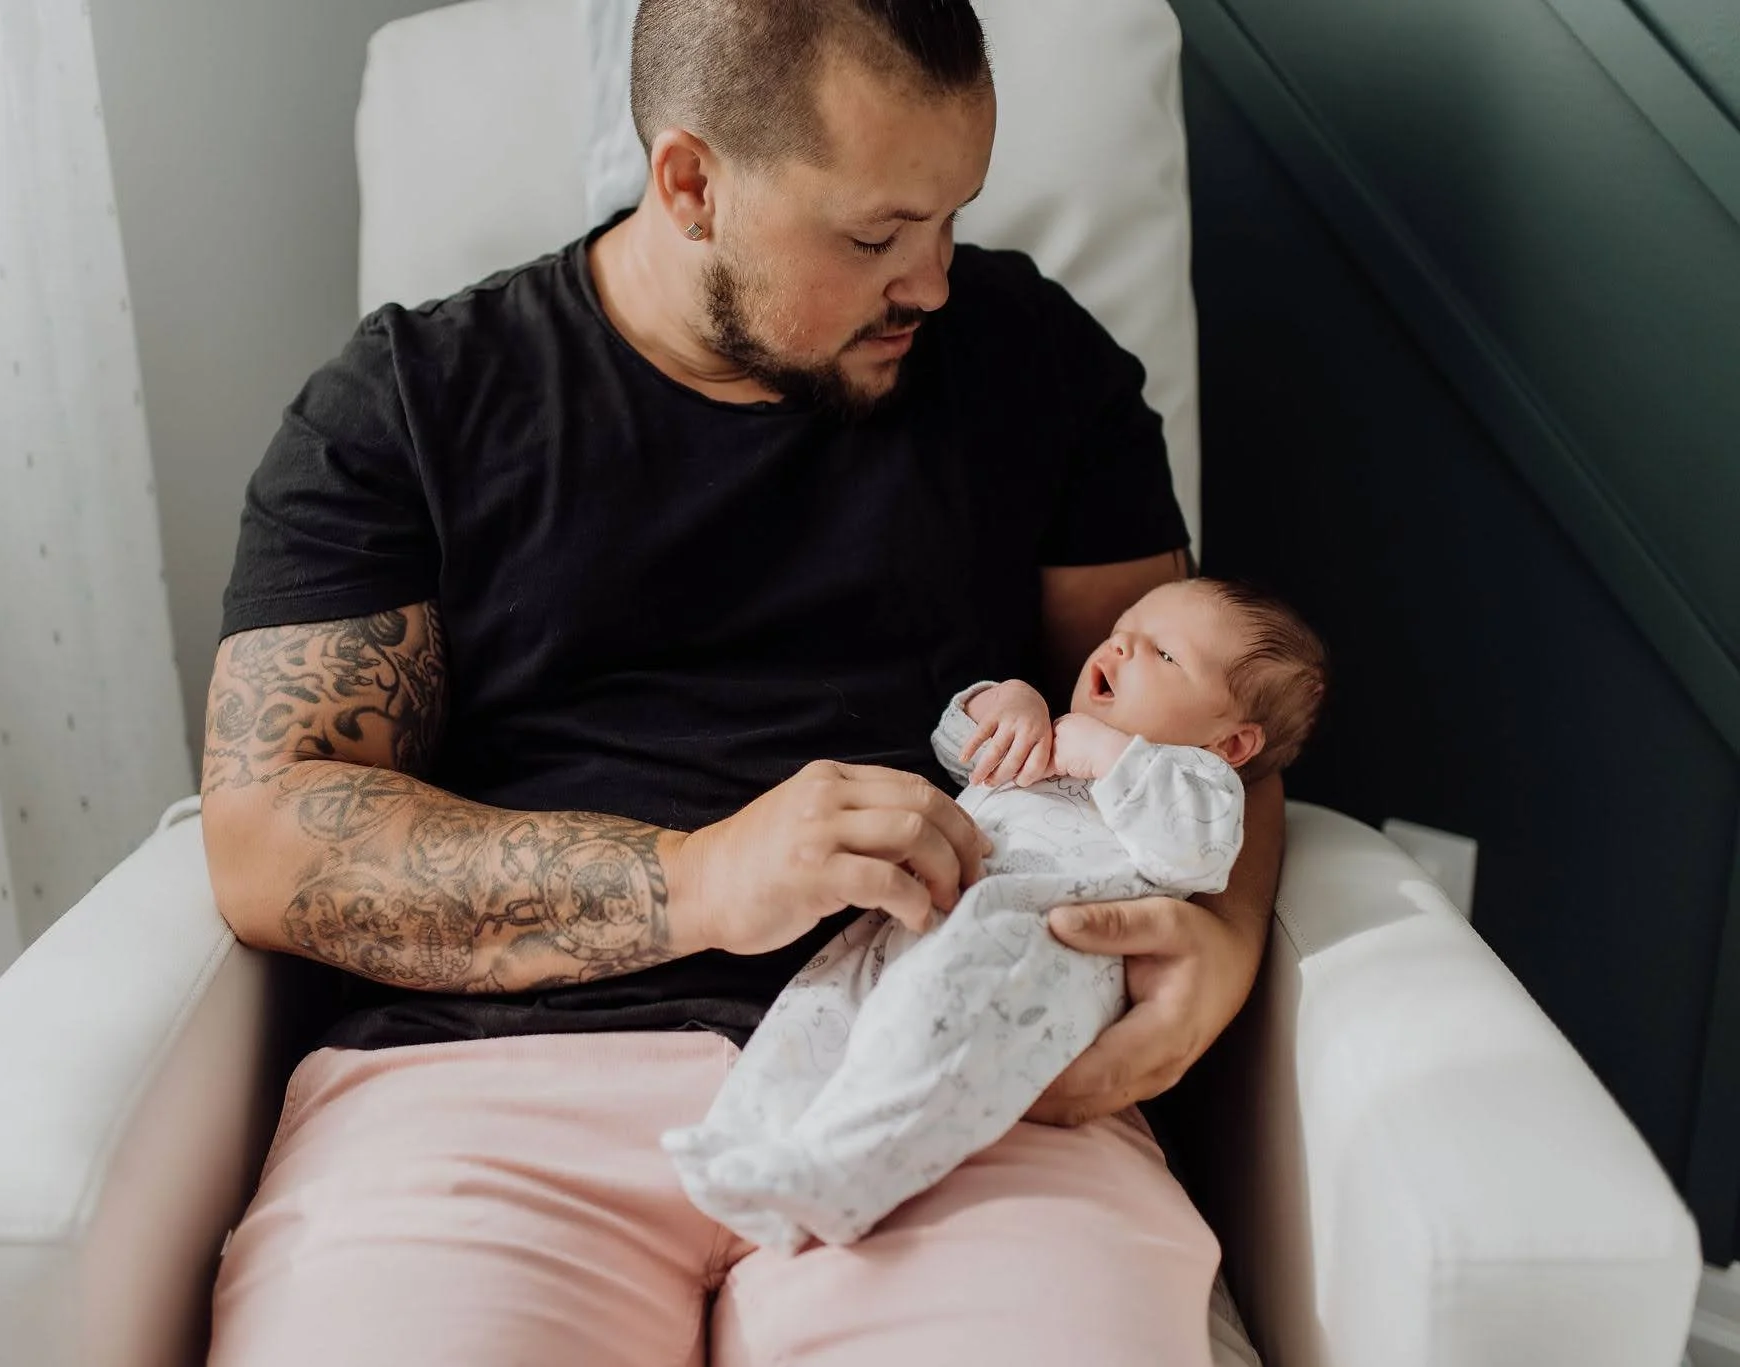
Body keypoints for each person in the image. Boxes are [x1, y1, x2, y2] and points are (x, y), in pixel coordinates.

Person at [198, 0, 1285, 1361]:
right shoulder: (410, 404)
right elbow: (271, 835)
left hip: (958, 1066)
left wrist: (1225, 940)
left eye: (951, 218)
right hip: (487, 1087)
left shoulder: (1033, 360)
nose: (933, 283)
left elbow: (1201, 723)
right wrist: (699, 878)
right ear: (691, 185)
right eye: (877, 237)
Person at [666, 579, 1327, 1255]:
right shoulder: (1051, 733)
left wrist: (1109, 756)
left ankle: (839, 1174)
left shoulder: (1198, 783)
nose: (1122, 644)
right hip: (920, 919)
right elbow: (957, 741)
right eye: (1123, 628)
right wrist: (1006, 702)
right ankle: (740, 1142)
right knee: (822, 1007)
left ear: (1232, 744)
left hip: (1033, 956)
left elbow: (1197, 852)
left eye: (1163, 654)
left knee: (932, 1051)